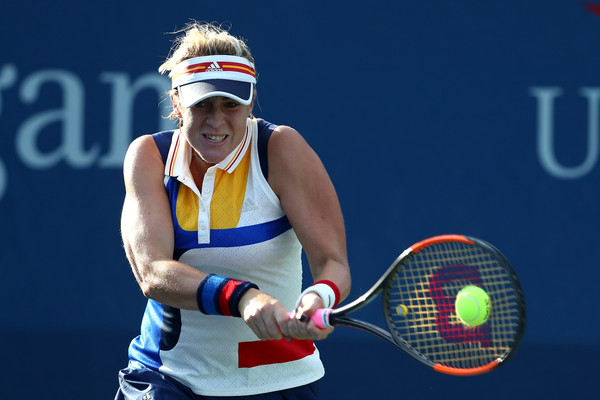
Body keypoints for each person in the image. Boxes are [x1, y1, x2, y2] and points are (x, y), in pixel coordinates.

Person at [115, 21, 351, 400]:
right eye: (202, 104)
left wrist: (318, 298)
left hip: (278, 381)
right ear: (176, 102)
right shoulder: (149, 156)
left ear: (251, 101)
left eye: (230, 104)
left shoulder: (281, 149)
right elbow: (152, 273)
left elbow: (333, 263)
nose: (216, 120)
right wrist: (244, 297)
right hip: (170, 379)